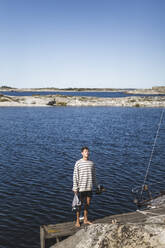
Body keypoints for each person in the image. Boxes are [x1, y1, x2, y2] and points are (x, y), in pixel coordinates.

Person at [72, 146, 97, 227]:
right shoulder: (78, 163)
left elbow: (94, 176)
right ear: (82, 153)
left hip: (89, 187)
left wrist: (97, 186)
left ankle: (85, 219)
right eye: (85, 151)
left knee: (87, 205)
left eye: (88, 151)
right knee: (79, 205)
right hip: (81, 188)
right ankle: (77, 221)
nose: (87, 153)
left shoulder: (91, 163)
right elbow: (75, 176)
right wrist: (75, 188)